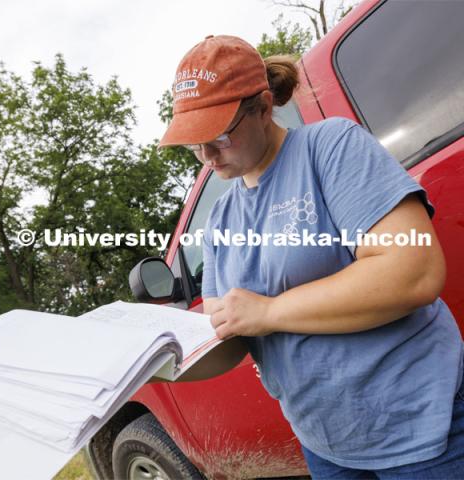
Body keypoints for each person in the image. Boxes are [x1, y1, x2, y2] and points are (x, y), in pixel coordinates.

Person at [158, 35, 464, 479]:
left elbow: (413, 271)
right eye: (194, 143)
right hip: (325, 444)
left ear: (263, 107)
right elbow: (232, 333)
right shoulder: (221, 216)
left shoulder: (330, 147)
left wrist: (271, 310)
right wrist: (156, 367)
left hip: (420, 426)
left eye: (219, 135)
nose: (206, 156)